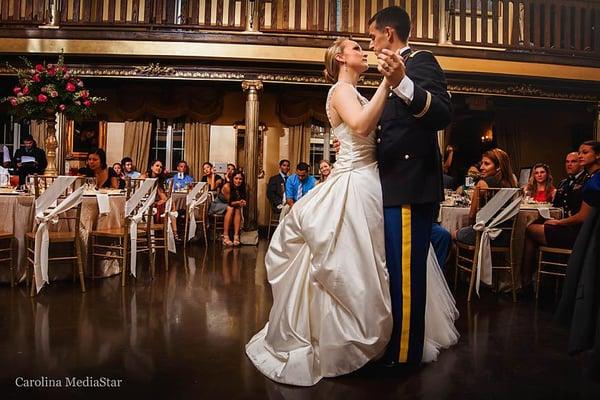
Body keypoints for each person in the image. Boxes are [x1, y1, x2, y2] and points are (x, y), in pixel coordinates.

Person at [245, 34, 458, 387]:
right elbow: (361, 126)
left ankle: (387, 338)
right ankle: (348, 340)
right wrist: (390, 85)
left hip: (373, 180)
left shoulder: (357, 92)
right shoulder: (341, 91)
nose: (365, 51)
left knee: (381, 264)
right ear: (342, 59)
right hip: (354, 183)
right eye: (357, 49)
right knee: (353, 267)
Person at [368, 6, 453, 367]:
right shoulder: (389, 71)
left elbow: (441, 113)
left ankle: (404, 356)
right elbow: (391, 131)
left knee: (405, 274)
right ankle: (398, 346)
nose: (370, 44)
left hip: (408, 184)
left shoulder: (420, 61)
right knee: (396, 272)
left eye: (372, 36)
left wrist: (403, 83)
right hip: (393, 184)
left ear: (389, 33)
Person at [523, 141, 600, 290]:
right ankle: (539, 277)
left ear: (597, 155)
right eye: (580, 153)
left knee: (529, 229)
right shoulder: (577, 180)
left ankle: (528, 279)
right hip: (578, 229)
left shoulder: (593, 181)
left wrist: (559, 223)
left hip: (582, 235)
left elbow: (583, 217)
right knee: (539, 225)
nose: (580, 156)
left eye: (585, 153)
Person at [452, 148, 518, 246]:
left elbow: (471, 215)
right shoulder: (512, 184)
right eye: (482, 163)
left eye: (486, 164)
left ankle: (473, 260)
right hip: (505, 237)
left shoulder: (483, 184)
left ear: (498, 167)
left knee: (452, 233)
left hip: (484, 235)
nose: (481, 167)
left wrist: (469, 227)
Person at [553, 152, 588, 217]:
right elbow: (555, 206)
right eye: (567, 162)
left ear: (581, 164)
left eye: (573, 161)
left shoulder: (587, 180)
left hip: (579, 222)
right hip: (562, 220)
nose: (569, 164)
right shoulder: (563, 183)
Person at [221, 170, 247, 246]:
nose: (238, 181)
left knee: (237, 208)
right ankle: (225, 235)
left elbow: (242, 199)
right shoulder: (227, 186)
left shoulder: (242, 187)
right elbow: (229, 202)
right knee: (231, 208)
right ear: (232, 179)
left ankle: (236, 235)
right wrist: (238, 202)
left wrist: (242, 202)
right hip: (220, 203)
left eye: (240, 179)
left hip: (233, 204)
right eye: (236, 178)